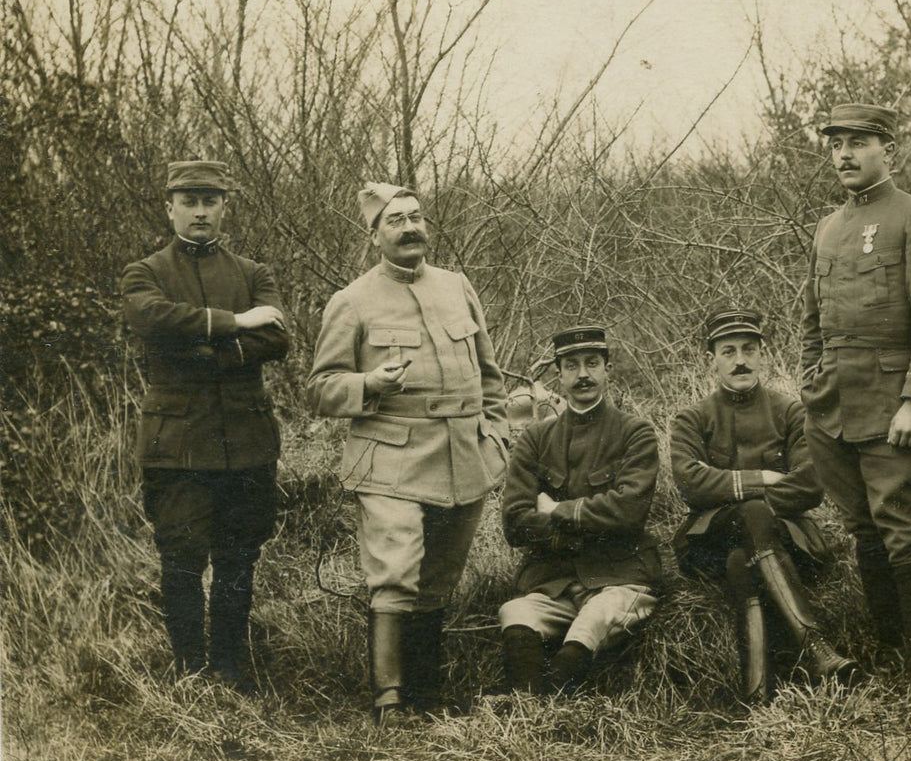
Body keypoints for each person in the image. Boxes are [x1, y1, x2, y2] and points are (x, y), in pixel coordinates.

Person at [307, 181, 508, 724]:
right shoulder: (352, 302)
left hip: (463, 455)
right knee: (396, 572)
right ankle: (390, 700)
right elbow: (320, 387)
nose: (410, 227)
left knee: (439, 578)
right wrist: (369, 383)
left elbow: (490, 375)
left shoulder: (457, 287)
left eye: (415, 217)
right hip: (390, 459)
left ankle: (428, 695)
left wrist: (498, 434)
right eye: (395, 221)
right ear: (375, 235)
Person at [799, 104, 911, 677]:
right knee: (862, 529)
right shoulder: (828, 225)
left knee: (905, 533)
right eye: (836, 143)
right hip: (833, 410)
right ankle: (892, 653)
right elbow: (811, 321)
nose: (843, 154)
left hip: (895, 407)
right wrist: (810, 383)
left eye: (858, 142)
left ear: (888, 150)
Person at [121, 159, 289, 689]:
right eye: (189, 201)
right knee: (182, 560)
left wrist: (200, 351)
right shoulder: (145, 272)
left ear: (224, 207)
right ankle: (190, 671)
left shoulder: (253, 272)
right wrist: (236, 323)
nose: (199, 211)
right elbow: (153, 320)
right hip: (178, 447)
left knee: (240, 558)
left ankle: (231, 666)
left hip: (246, 441)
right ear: (169, 206)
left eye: (209, 201)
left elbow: (279, 337)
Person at [671, 308, 857, 702]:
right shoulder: (692, 418)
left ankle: (756, 693)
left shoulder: (791, 411)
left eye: (749, 349)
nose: (740, 360)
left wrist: (731, 490)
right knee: (751, 517)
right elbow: (689, 484)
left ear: (763, 355)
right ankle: (816, 648)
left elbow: (811, 483)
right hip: (710, 541)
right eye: (728, 351)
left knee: (744, 560)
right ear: (712, 360)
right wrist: (761, 479)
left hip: (787, 537)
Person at [493, 326, 662, 695]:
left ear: (608, 368)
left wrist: (556, 509)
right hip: (552, 580)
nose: (582, 374)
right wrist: (587, 520)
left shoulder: (636, 433)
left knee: (596, 617)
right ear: (558, 374)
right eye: (571, 365)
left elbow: (629, 512)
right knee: (516, 614)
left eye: (592, 363)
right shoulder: (536, 440)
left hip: (618, 574)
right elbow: (515, 522)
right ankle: (528, 711)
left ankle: (556, 701)